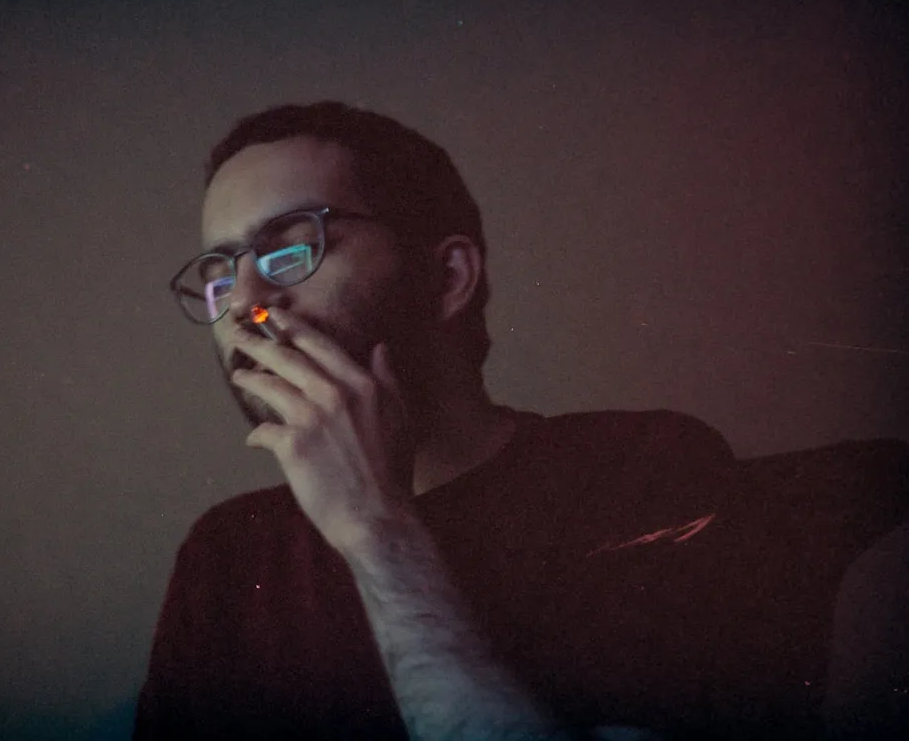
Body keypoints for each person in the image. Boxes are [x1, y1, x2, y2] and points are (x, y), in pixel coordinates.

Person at [135, 102, 908, 740]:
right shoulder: (228, 551)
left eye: (289, 249)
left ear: (446, 278)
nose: (242, 307)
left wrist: (377, 530)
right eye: (218, 273)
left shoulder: (641, 467)